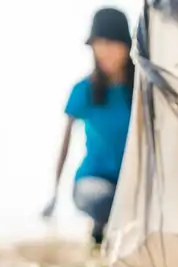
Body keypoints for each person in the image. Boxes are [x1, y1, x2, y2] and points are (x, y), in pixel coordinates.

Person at [49, 8, 135, 245]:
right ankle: (101, 230)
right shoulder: (83, 90)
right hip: (94, 180)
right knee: (104, 200)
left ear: (127, 45)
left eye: (111, 43)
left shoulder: (143, 90)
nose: (105, 51)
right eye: (99, 43)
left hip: (135, 181)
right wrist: (55, 196)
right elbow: (65, 145)